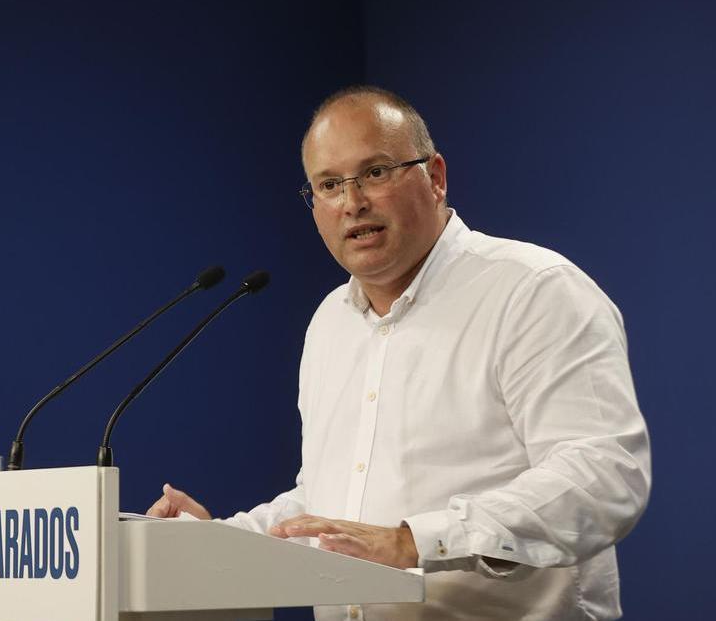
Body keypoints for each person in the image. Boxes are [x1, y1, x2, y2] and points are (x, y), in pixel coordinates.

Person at [146, 86, 651, 621]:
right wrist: (217, 544)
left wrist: (416, 541)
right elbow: (330, 506)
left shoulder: (533, 292)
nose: (352, 201)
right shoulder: (330, 324)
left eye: (376, 172)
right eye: (329, 184)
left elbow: (603, 474)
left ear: (435, 177)